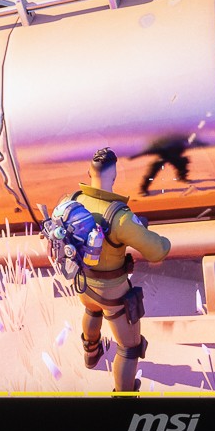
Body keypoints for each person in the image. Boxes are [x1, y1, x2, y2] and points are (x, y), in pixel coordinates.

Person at [70, 148, 171, 392]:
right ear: (114, 176)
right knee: (129, 348)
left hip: (83, 284)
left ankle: (91, 354)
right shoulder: (120, 217)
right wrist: (159, 239)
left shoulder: (73, 200)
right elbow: (157, 251)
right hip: (112, 293)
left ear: (89, 172)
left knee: (91, 311)